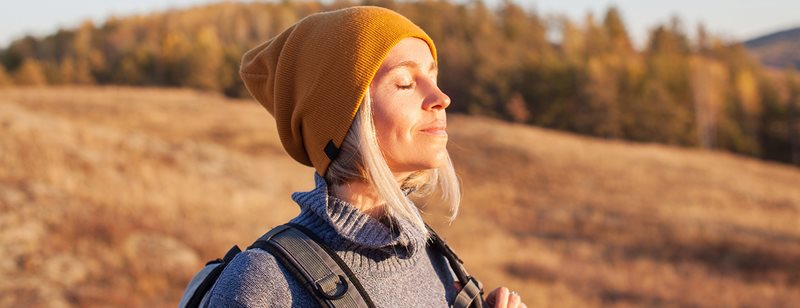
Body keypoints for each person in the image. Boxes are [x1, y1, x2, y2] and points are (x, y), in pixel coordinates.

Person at [207, 6, 527, 307]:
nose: (441, 98)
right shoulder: (265, 281)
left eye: (433, 76)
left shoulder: (436, 259)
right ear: (343, 120)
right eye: (404, 83)